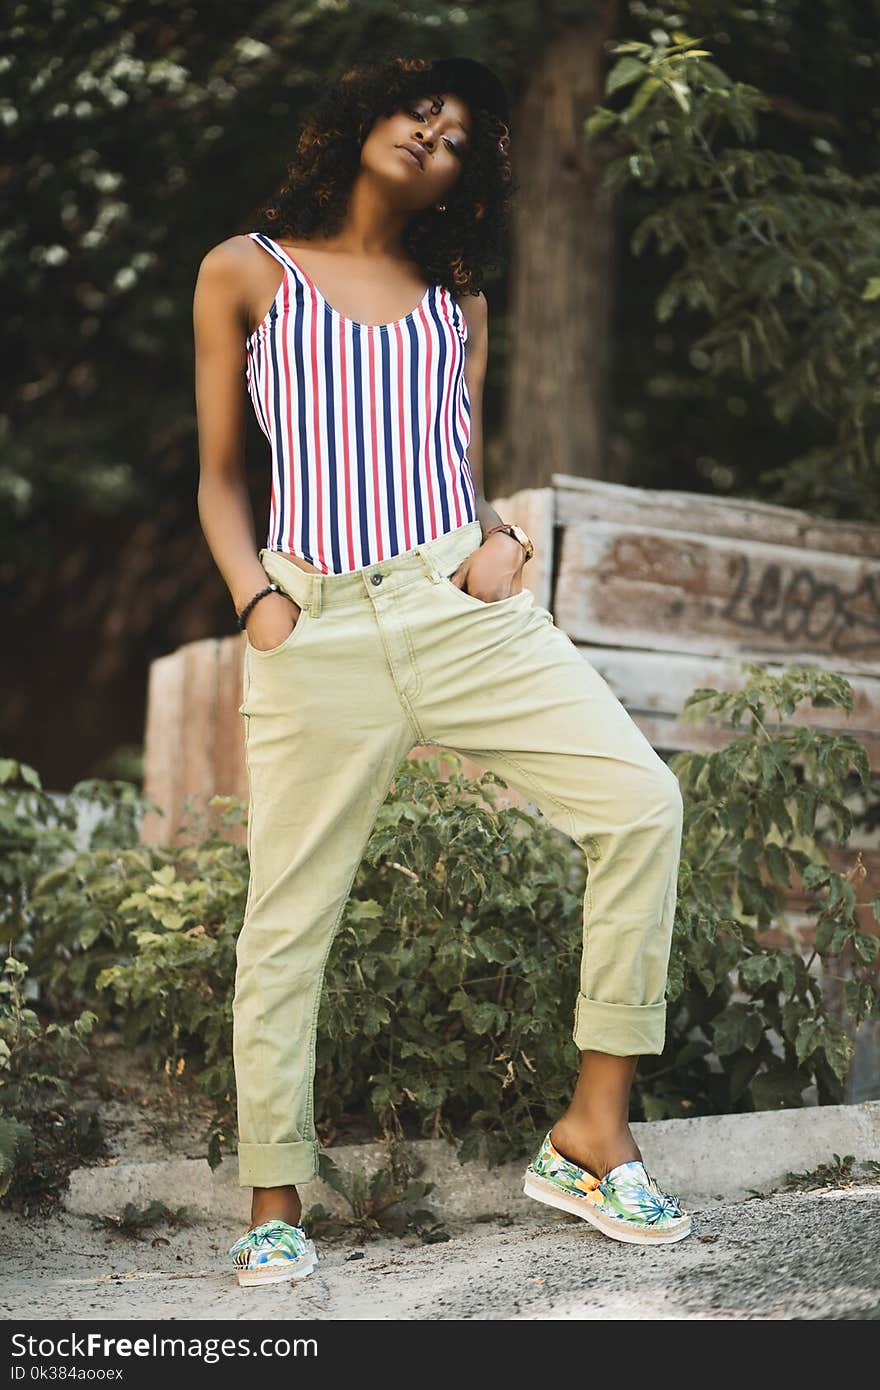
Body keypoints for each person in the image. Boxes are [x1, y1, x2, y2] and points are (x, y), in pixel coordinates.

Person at [192, 53, 691, 1288]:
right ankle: (272, 1199)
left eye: (460, 134)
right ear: (361, 116)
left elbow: (453, 456)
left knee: (642, 804)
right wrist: (257, 600)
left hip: (460, 604)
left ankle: (589, 1131)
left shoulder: (453, 295)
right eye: (422, 112)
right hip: (315, 627)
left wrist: (507, 539)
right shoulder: (244, 270)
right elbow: (214, 473)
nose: (435, 135)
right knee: (288, 920)